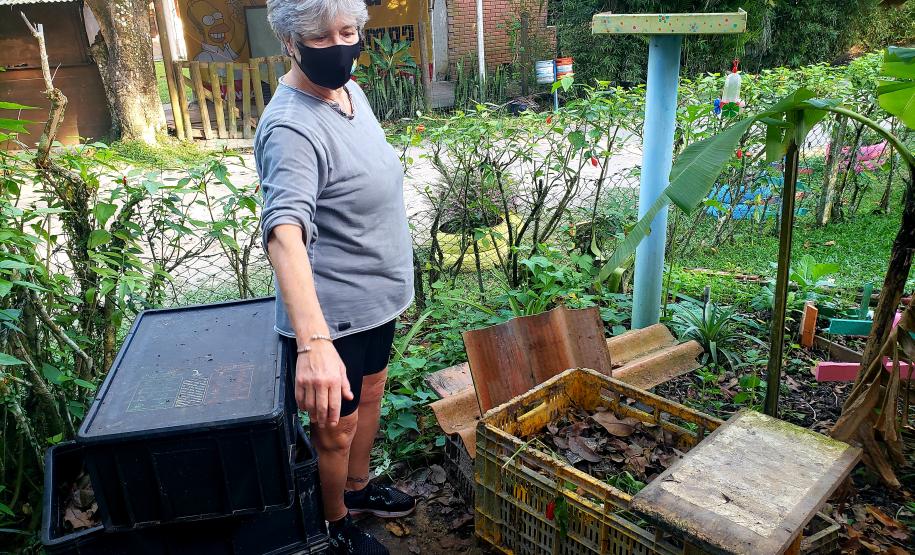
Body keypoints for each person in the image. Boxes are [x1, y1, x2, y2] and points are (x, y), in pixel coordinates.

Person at [256, 1, 415, 553]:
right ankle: (334, 523)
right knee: (335, 429)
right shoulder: (290, 126)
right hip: (333, 314)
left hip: (375, 300)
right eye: (321, 38)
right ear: (290, 43)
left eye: (348, 31)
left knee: (371, 395)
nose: (340, 45)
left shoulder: (351, 95)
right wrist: (314, 343)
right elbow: (284, 232)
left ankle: (360, 486)